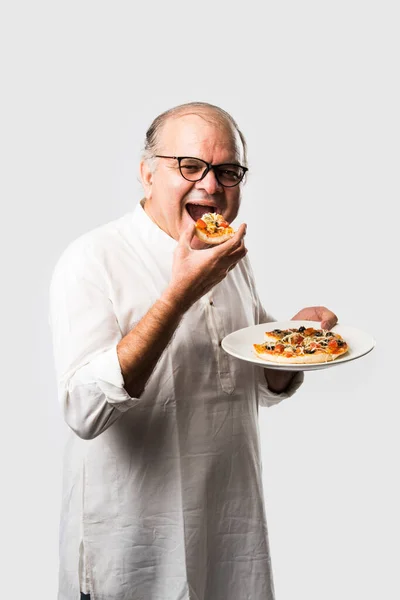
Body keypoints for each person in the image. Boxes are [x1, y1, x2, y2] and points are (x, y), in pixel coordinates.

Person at [49, 101, 337, 600]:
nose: (210, 186)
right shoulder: (92, 259)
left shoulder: (228, 256)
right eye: (190, 166)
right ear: (147, 174)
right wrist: (178, 294)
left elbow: (252, 378)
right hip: (132, 550)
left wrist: (297, 339)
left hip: (228, 538)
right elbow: (84, 409)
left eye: (227, 171)